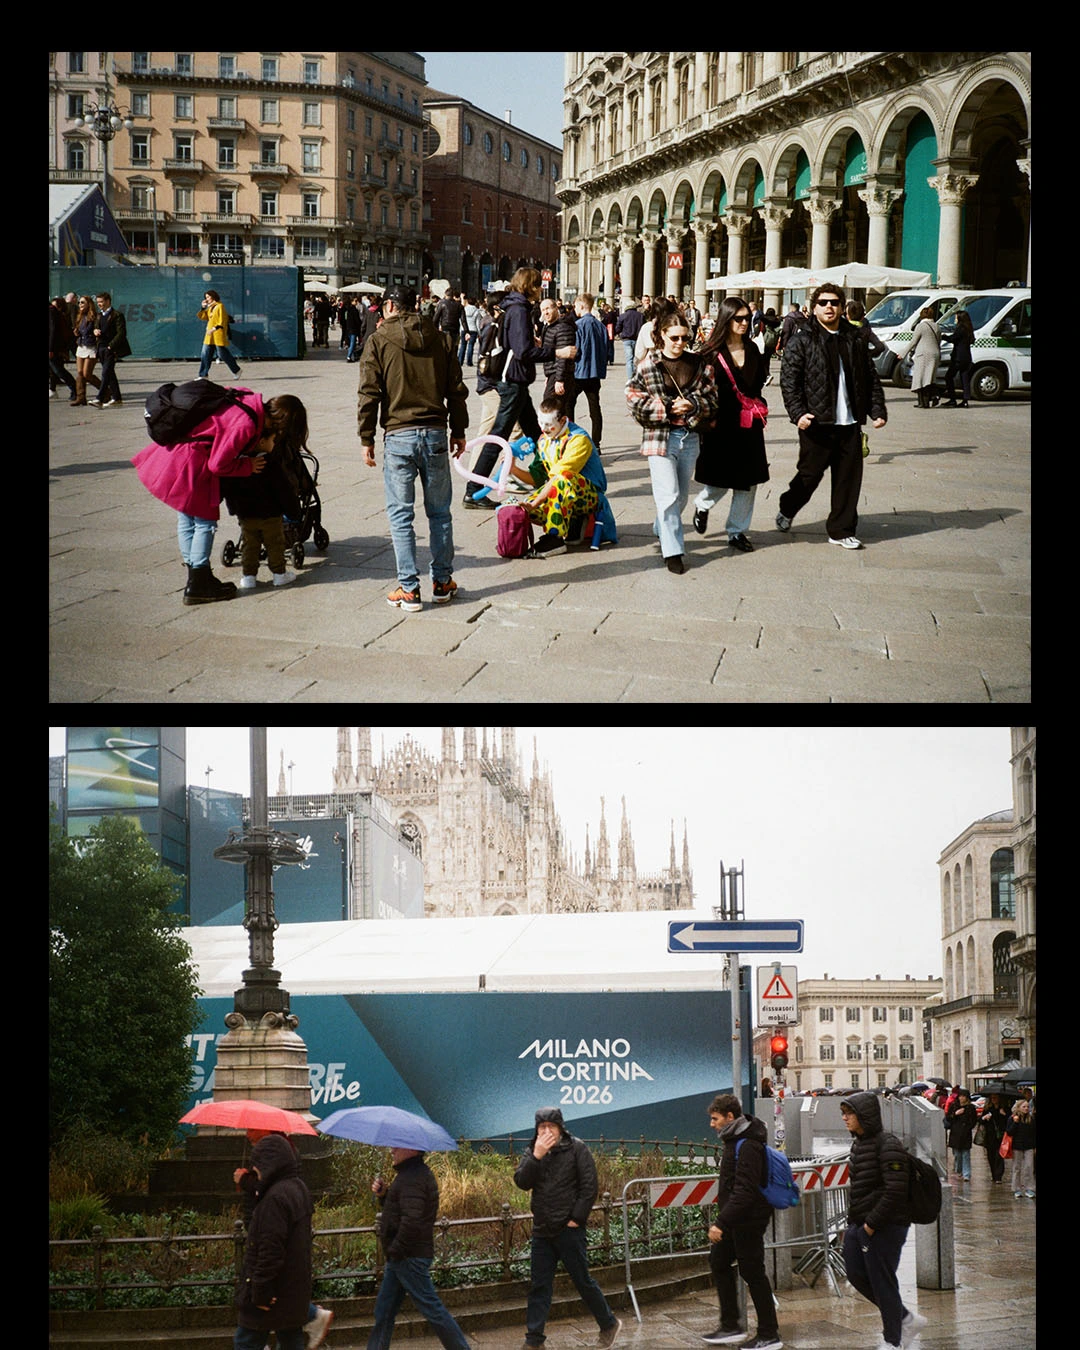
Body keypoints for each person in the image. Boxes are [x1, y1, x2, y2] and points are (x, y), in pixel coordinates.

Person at [357, 283, 468, 611]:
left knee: (400, 515)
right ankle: (443, 581)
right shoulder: (442, 339)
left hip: (399, 435)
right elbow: (456, 390)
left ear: (390, 306)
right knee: (440, 513)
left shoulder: (377, 341)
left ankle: (408, 588)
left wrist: (366, 438)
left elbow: (369, 394)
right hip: (434, 432)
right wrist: (459, 430)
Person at [132, 385, 270, 604]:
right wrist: (247, 465)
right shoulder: (246, 422)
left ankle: (195, 575)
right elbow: (217, 465)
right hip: (194, 467)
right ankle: (199, 580)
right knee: (205, 523)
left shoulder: (241, 398)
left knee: (186, 519)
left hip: (176, 456)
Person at [777, 284, 887, 550]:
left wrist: (877, 410)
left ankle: (841, 530)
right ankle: (788, 508)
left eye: (835, 302)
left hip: (848, 424)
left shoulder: (854, 337)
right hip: (816, 423)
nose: (829, 307)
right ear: (814, 307)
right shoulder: (802, 339)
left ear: (842, 307)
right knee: (809, 476)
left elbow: (869, 376)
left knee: (848, 480)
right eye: (824, 302)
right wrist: (798, 413)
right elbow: (789, 381)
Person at [513, 1106, 622, 1349]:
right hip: (542, 1228)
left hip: (568, 1229)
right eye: (542, 1127)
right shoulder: (533, 1150)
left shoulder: (577, 1148)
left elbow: (589, 1187)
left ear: (561, 1128)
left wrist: (576, 1219)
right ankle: (534, 1340)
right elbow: (522, 1181)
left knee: (582, 1280)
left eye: (551, 1126)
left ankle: (608, 1323)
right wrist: (536, 1156)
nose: (547, 1131)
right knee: (539, 1285)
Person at [626, 309, 718, 573]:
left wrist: (693, 405)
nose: (680, 343)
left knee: (681, 497)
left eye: (684, 338)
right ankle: (673, 551)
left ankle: (660, 526)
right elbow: (632, 397)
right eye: (674, 338)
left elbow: (713, 399)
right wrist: (666, 408)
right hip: (659, 437)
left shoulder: (699, 364)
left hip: (689, 437)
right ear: (662, 336)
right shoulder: (648, 364)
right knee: (668, 495)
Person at [839, 1093, 927, 1350]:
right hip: (860, 1224)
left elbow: (896, 1191)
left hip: (885, 1225)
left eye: (849, 1113)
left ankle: (893, 1340)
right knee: (855, 1273)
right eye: (843, 1113)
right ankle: (905, 1318)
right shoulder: (858, 1144)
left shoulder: (887, 1144)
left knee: (881, 1280)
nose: (844, 1118)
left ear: (864, 1115)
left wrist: (871, 1225)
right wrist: (855, 1225)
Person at [233, 1131, 334, 1350]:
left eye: (257, 1163)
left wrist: (259, 1293)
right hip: (292, 1291)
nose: (255, 1169)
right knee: (291, 1340)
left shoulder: (275, 1199)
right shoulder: (297, 1188)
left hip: (271, 1295)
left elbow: (269, 1250)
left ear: (269, 1163)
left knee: (246, 1342)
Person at [367, 1146, 472, 1350]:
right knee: (384, 1310)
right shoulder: (410, 1175)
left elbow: (412, 1221)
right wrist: (384, 1195)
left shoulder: (412, 1178)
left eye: (397, 1146)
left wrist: (395, 1250)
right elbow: (402, 1212)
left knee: (432, 1309)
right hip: (403, 1256)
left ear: (412, 1149)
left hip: (408, 1256)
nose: (392, 1150)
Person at [700, 1092, 782, 1349]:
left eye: (715, 1119)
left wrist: (721, 1223)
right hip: (737, 1219)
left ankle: (769, 1335)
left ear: (730, 1117)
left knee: (753, 1272)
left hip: (748, 1220)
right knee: (719, 1260)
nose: (712, 1124)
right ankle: (730, 1326)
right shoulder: (734, 1140)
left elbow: (745, 1190)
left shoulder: (747, 1145)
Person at [692, 296, 770, 553]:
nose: (745, 323)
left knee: (748, 482)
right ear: (726, 319)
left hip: (749, 426)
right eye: (739, 318)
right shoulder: (709, 353)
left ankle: (736, 532)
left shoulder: (754, 350)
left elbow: (758, 384)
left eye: (747, 318)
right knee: (720, 479)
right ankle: (703, 505)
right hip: (721, 426)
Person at [222, 394, 312, 591]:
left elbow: (229, 487)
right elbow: (285, 491)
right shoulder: (272, 465)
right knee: (275, 544)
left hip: (246, 515)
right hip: (271, 515)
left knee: (249, 545)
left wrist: (234, 509)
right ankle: (279, 574)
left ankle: (248, 577)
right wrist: (294, 512)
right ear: (263, 441)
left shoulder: (243, 463)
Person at [519, 396, 615, 558]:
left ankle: (554, 537)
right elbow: (536, 478)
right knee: (523, 509)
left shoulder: (578, 439)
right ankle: (569, 524)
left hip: (588, 495)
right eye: (540, 422)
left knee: (563, 479)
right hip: (558, 491)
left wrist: (536, 502)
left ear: (563, 420)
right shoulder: (544, 440)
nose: (543, 428)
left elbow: (558, 477)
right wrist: (511, 468)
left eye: (549, 424)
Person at [568, 293, 609, 451]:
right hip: (595, 373)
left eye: (576, 306)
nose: (575, 309)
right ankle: (596, 443)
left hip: (579, 372)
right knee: (595, 408)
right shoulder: (600, 326)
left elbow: (576, 351)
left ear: (583, 306)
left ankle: (570, 438)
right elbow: (607, 350)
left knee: (569, 404)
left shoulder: (578, 325)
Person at [91, 291, 130, 408]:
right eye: (98, 302)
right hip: (101, 347)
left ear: (108, 301)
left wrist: (111, 346)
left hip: (111, 349)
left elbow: (121, 333)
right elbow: (96, 326)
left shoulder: (117, 315)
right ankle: (117, 398)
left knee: (106, 372)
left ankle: (100, 398)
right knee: (110, 373)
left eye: (101, 302)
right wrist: (95, 331)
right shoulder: (99, 315)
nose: (99, 304)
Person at [537, 298, 578, 404]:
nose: (545, 312)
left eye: (548, 309)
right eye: (542, 310)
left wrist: (559, 380)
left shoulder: (563, 328)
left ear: (556, 308)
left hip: (561, 375)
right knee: (558, 411)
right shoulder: (550, 327)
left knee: (550, 408)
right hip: (554, 374)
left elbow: (564, 356)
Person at [197, 290, 243, 381]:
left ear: (214, 296)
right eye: (206, 297)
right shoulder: (210, 307)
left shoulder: (220, 306)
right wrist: (202, 308)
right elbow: (203, 317)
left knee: (223, 355)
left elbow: (222, 321)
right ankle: (203, 375)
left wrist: (213, 329)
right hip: (209, 336)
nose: (207, 299)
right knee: (205, 354)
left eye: (208, 297)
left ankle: (237, 370)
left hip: (217, 334)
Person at [903, 308, 941, 409]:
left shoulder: (920, 326)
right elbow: (938, 341)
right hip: (935, 353)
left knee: (920, 379)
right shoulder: (936, 326)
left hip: (923, 354)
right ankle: (930, 398)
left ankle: (923, 402)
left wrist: (902, 353)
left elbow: (913, 341)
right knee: (929, 378)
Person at [72, 295, 101, 406]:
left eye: (83, 302)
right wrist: (77, 333)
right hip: (81, 346)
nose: (80, 304)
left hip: (91, 347)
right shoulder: (80, 317)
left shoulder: (94, 317)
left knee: (87, 374)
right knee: (80, 373)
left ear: (89, 304)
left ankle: (106, 392)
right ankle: (81, 397)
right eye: (79, 302)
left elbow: (96, 329)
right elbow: (79, 330)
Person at [942, 310, 975, 408]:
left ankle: (953, 399)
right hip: (966, 357)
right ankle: (965, 400)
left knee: (949, 376)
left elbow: (953, 338)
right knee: (964, 378)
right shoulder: (968, 329)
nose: (955, 319)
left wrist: (943, 337)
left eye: (956, 317)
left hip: (958, 357)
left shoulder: (961, 329)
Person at [1005, 1098, 1035, 1198]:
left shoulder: (1031, 1119)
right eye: (1024, 1107)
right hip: (1017, 1146)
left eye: (1027, 1107)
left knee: (1029, 1167)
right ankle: (1016, 1189)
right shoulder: (1013, 1118)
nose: (1026, 1108)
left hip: (1028, 1146)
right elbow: (1009, 1132)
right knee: (1016, 1168)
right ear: (1018, 1108)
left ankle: (1029, 1188)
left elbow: (1033, 1133)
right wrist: (1015, 1122)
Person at [945, 1088, 977, 1182]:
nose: (961, 1098)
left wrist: (968, 1127)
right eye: (960, 1096)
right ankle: (959, 1171)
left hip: (965, 1134)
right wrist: (955, 1114)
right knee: (957, 1155)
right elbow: (948, 1118)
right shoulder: (954, 1106)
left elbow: (973, 1121)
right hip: (955, 1134)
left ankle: (966, 1174)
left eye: (963, 1096)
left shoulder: (971, 1108)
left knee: (966, 1154)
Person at [976, 1092, 1009, 1183]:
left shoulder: (1004, 1109)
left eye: (995, 1097)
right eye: (992, 1098)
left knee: (999, 1156)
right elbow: (980, 1120)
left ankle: (998, 1176)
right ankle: (994, 1175)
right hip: (989, 1136)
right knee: (991, 1156)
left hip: (1000, 1137)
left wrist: (1004, 1115)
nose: (994, 1099)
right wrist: (984, 1118)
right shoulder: (988, 1109)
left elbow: (1008, 1121)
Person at [49, 297, 78, 401]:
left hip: (54, 348)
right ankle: (53, 390)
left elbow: (53, 331)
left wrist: (51, 349)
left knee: (58, 370)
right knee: (55, 370)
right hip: (55, 347)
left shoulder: (51, 312)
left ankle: (75, 389)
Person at [614, 300, 645, 381]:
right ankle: (636, 377)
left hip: (626, 340)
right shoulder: (641, 315)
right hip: (638, 339)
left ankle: (630, 378)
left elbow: (618, 328)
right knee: (637, 358)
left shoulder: (623, 316)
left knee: (629, 360)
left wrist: (617, 333)